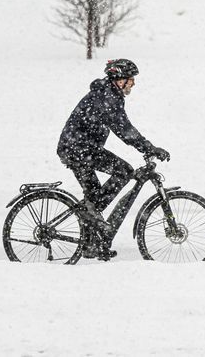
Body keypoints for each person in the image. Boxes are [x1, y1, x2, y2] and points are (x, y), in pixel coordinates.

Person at [57, 59, 170, 260]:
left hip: (81, 149)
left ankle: (93, 240)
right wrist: (148, 147)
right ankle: (92, 220)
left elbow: (122, 127)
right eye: (131, 79)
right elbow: (123, 129)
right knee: (124, 171)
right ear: (119, 80)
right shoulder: (106, 96)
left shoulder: (110, 95)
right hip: (78, 149)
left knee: (93, 198)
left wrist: (145, 146)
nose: (133, 84)